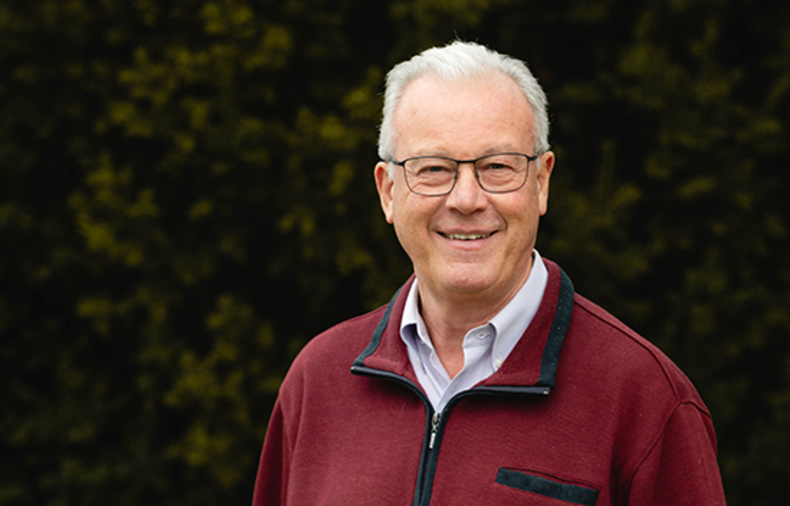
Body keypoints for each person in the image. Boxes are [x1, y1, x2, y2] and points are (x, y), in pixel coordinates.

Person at [253, 41, 726, 505]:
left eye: (497, 166)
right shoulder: (317, 382)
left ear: (541, 182)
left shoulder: (645, 398)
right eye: (433, 169)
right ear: (388, 191)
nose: (466, 199)